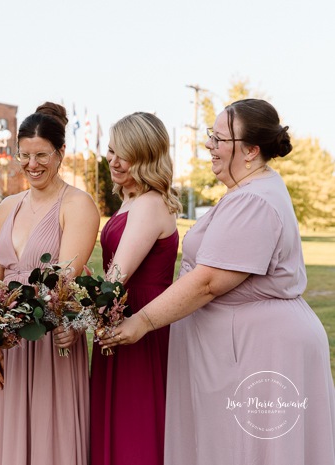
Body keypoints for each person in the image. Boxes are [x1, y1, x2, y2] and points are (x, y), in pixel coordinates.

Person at [102, 99, 335, 464]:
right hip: (245, 348)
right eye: (211, 136)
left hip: (262, 350)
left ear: (251, 150)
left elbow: (208, 281)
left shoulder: (254, 201)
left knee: (253, 451)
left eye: (219, 138)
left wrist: (142, 322)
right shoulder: (246, 193)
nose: (209, 145)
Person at [0, 102, 100, 465]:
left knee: (51, 442)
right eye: (24, 155)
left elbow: (62, 284)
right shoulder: (8, 206)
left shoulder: (77, 205)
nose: (32, 165)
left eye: (42, 155)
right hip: (7, 345)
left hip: (49, 341)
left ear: (61, 153)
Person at [89, 112, 180, 465]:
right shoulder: (131, 200)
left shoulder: (149, 204)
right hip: (120, 315)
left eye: (121, 153)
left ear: (144, 155)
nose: (111, 160)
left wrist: (68, 311)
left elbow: (115, 278)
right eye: (110, 151)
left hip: (140, 318)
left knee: (135, 418)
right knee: (118, 414)